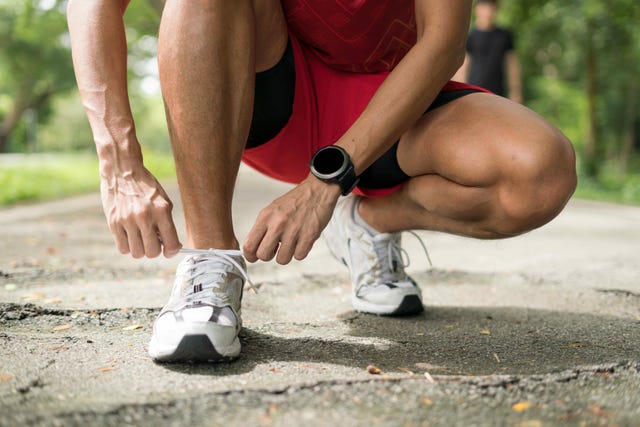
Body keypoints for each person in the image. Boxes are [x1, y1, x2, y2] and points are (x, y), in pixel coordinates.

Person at [67, 0, 576, 362]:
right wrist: (118, 162)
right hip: (271, 91)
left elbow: (442, 43)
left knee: (539, 173)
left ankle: (367, 222)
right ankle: (209, 265)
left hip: (390, 111)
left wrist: (327, 183)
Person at [456, 0, 523, 103]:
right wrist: (460, 94)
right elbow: (463, 66)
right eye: (484, 7)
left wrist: (516, 91)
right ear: (476, 10)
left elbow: (512, 64)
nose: (487, 11)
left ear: (496, 9)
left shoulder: (504, 35)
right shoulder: (470, 37)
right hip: (473, 92)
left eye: (490, 7)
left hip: (498, 92)